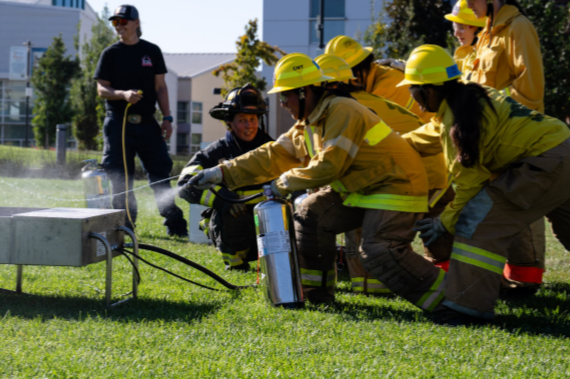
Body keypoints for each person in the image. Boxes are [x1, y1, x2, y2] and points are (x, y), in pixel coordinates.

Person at [399, 45, 570, 327]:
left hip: (545, 165)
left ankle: (466, 309)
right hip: (566, 154)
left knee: (478, 223)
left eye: (412, 88)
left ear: (429, 89)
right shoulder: (470, 95)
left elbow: (469, 185)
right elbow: (434, 132)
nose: (411, 96)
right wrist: (397, 142)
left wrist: (444, 223)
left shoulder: (457, 118)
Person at [185, 54, 448, 315]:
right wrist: (220, 172)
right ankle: (316, 297)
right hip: (362, 189)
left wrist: (283, 183)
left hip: (396, 185)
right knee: (311, 214)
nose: (283, 103)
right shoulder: (308, 124)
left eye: (285, 95)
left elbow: (330, 165)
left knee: (378, 250)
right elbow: (272, 154)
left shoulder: (341, 110)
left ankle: (450, 299)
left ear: (304, 92)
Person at [313, 53, 451, 296]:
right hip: (435, 171)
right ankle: (460, 286)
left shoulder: (341, 110)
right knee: (441, 242)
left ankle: (375, 288)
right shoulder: (363, 100)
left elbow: (344, 163)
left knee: (371, 230)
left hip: (413, 175)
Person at [456, 0, 546, 293]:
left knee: (520, 207)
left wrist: (506, 126)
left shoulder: (518, 28)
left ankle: (525, 280)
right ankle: (500, 278)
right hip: (487, 138)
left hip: (514, 136)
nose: (466, 4)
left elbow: (530, 89)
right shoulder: (487, 35)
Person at [94, 4, 188, 238]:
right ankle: (124, 225)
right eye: (115, 22)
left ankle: (175, 226)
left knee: (160, 173)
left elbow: (161, 88)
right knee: (119, 177)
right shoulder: (110, 53)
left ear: (136, 23)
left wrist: (167, 118)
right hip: (118, 123)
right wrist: (122, 94)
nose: (119, 26)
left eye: (123, 22)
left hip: (147, 123)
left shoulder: (152, 51)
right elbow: (101, 88)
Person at [177, 85, 272, 270]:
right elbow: (185, 185)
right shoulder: (215, 152)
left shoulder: (272, 149)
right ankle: (236, 264)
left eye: (253, 119)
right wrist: (224, 201)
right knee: (233, 212)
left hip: (269, 220)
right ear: (229, 123)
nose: (249, 125)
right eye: (242, 120)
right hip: (234, 221)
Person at [324, 36, 421, 116]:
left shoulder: (387, 86)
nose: (343, 86)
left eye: (344, 79)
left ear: (357, 72)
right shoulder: (375, 75)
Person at [444, 0, 486, 76]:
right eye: (454, 28)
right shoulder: (461, 55)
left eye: (461, 27)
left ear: (480, 27)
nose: (455, 34)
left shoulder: (491, 56)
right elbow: (449, 79)